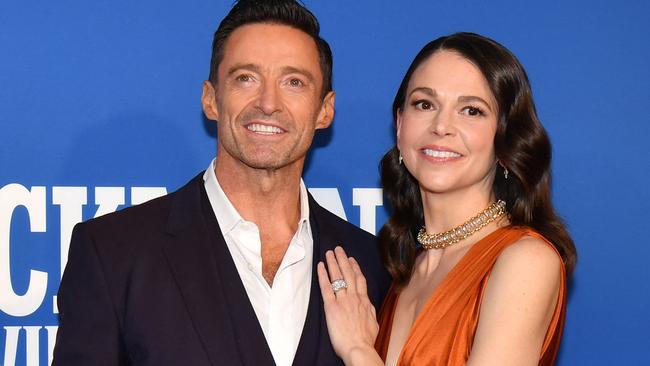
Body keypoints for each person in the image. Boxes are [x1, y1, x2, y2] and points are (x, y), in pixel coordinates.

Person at [52, 1, 390, 365]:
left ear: (324, 110)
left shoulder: (373, 266)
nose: (268, 103)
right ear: (211, 99)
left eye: (294, 82)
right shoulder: (114, 255)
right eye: (246, 77)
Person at [317, 32, 577, 365]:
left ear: (506, 137)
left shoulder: (526, 260)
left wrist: (358, 351)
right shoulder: (405, 271)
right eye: (424, 104)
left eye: (471, 110)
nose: (441, 126)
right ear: (400, 125)